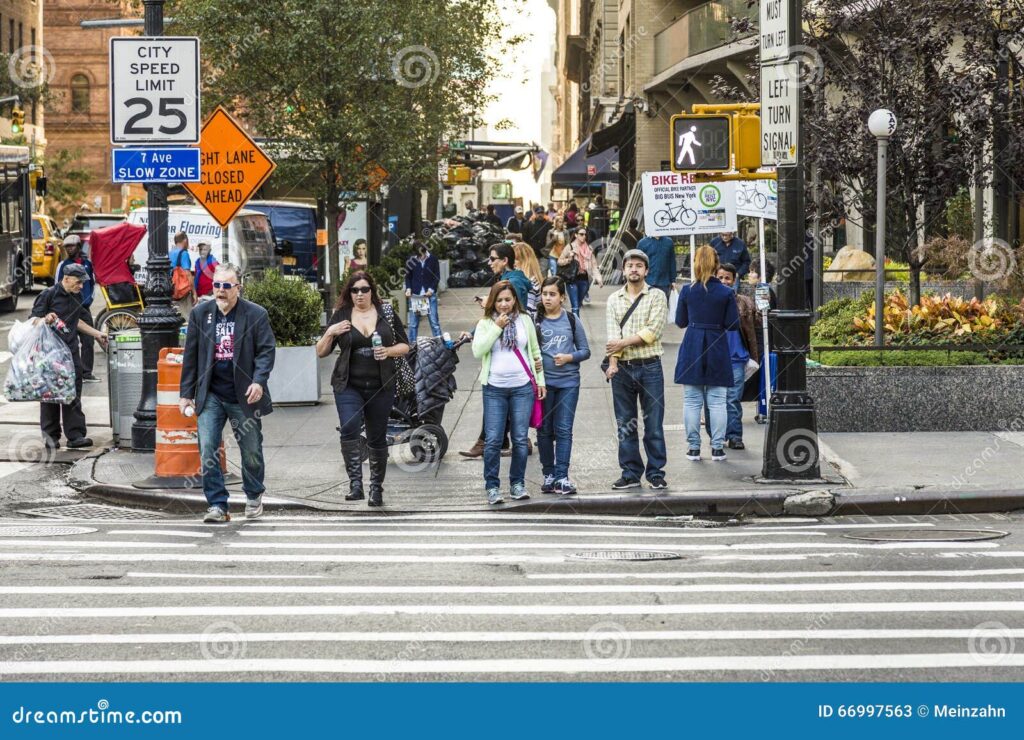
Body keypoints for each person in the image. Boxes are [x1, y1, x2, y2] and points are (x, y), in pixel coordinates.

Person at [179, 264, 276, 523]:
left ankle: (254, 494)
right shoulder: (201, 313)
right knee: (208, 448)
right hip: (210, 393)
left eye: (226, 286)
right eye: (216, 285)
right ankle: (217, 505)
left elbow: (266, 352)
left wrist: (259, 382)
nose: (220, 291)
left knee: (251, 450)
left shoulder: (255, 314)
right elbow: (191, 356)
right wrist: (186, 393)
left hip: (244, 394)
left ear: (238, 288)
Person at [318, 270, 410, 508]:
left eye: (364, 289)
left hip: (382, 384)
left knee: (377, 435)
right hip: (348, 384)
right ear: (349, 292)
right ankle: (355, 484)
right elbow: (321, 351)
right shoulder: (341, 315)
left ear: (372, 291)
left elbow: (405, 346)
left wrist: (388, 352)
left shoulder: (386, 313)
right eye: (355, 290)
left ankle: (376, 489)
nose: (360, 294)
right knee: (349, 427)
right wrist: (330, 332)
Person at [471, 280, 545, 505]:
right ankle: (492, 486)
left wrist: (540, 380)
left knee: (521, 439)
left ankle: (517, 484)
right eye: (500, 300)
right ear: (493, 301)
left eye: (508, 300)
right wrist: (497, 327)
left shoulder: (524, 320)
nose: (504, 304)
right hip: (494, 389)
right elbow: (477, 351)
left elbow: (534, 351)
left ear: (515, 301)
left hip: (522, 387)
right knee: (493, 440)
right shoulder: (485, 323)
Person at [604, 249, 668, 490]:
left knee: (653, 424)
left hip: (650, 366)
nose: (634, 269)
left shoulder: (657, 296)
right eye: (630, 265)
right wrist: (612, 364)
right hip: (622, 369)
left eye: (639, 266)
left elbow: (654, 332)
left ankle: (656, 473)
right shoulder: (614, 299)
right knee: (625, 423)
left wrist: (621, 343)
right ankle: (630, 473)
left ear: (646, 271)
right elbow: (613, 335)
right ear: (624, 269)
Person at [31, 264, 109, 450]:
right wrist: (45, 319)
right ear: (66, 279)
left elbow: (78, 321)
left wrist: (96, 333)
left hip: (71, 351)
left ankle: (75, 435)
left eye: (82, 282)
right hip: (49, 353)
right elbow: (33, 321)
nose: (81, 286)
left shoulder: (77, 296)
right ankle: (51, 437)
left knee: (73, 391)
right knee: (50, 394)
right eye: (78, 282)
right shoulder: (48, 295)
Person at [674, 246, 739, 462]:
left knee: (692, 400)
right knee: (718, 401)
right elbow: (732, 325)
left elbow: (680, 322)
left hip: (692, 343)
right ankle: (718, 448)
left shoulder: (687, 291)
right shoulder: (726, 292)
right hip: (717, 345)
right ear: (716, 265)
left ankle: (693, 448)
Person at [536, 276, 590, 495]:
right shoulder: (535, 320)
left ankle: (562, 477)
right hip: (543, 385)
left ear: (562, 297)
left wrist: (569, 357)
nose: (547, 298)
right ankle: (548, 474)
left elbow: (585, 351)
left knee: (564, 429)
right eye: (544, 294)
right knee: (544, 430)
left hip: (568, 383)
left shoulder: (571, 319)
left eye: (552, 294)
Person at [711, 263, 760, 450]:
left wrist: (763, 299)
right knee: (715, 400)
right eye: (720, 277)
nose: (723, 281)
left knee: (732, 399)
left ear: (734, 280)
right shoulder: (709, 301)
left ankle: (734, 436)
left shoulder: (744, 301)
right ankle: (717, 435)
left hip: (737, 358)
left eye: (727, 278)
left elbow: (756, 323)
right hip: (715, 357)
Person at [55, 235, 98, 381]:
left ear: (79, 247)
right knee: (69, 339)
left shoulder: (88, 263)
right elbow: (57, 285)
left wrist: (89, 300)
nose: (69, 249)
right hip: (68, 308)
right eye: (67, 247)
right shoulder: (63, 265)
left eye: (72, 246)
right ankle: (71, 371)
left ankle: (86, 373)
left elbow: (92, 283)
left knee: (88, 341)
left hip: (84, 308)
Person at [404, 240, 442, 343]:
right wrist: (408, 289)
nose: (421, 257)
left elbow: (437, 276)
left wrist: (431, 289)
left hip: (429, 296)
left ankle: (440, 344)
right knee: (413, 324)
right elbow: (408, 277)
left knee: (434, 322)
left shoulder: (433, 259)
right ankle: (412, 346)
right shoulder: (411, 260)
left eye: (422, 254)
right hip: (415, 296)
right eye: (418, 255)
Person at [563, 227, 603, 314]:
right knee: (575, 306)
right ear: (576, 235)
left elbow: (594, 265)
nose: (584, 236)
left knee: (578, 304)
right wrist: (569, 259)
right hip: (572, 279)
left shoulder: (589, 248)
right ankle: (576, 327)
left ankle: (576, 323)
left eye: (585, 234)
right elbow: (559, 261)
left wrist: (599, 279)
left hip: (584, 280)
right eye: (581, 234)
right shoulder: (569, 247)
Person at [637, 231, 676, 299]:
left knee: (663, 307)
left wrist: (673, 280)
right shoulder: (642, 243)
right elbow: (638, 263)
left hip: (664, 283)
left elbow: (672, 261)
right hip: (647, 282)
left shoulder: (669, 242)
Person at [169, 232, 196, 319]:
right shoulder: (184, 254)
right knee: (188, 317)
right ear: (185, 240)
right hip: (183, 291)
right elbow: (188, 274)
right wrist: (194, 293)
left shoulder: (170, 253)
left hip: (172, 290)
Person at [512, 241, 542, 314]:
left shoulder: (529, 283)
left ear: (524, 261)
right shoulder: (532, 280)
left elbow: (526, 312)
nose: (511, 262)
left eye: (514, 259)